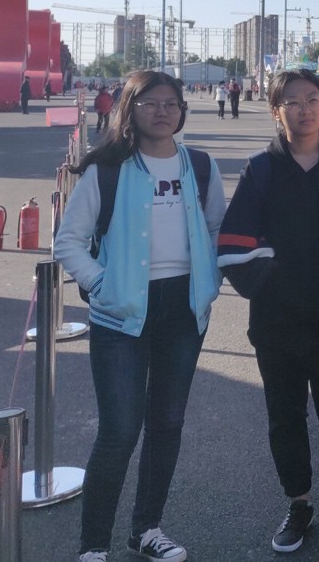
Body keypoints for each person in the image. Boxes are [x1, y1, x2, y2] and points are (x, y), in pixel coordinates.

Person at [53, 71, 226, 562]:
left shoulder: (200, 166)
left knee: (167, 424)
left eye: (171, 103)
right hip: (121, 314)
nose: (162, 111)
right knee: (119, 431)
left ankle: (147, 529)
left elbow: (217, 229)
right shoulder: (107, 169)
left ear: (182, 110)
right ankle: (93, 545)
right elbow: (69, 241)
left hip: (184, 309)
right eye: (150, 102)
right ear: (130, 109)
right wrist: (100, 283)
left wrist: (210, 282)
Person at [216, 70, 319, 553]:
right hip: (276, 321)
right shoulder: (262, 169)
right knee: (284, 416)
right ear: (275, 111)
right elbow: (234, 240)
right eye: (293, 102)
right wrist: (269, 281)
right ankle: (298, 501)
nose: (306, 109)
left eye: (313, 99)